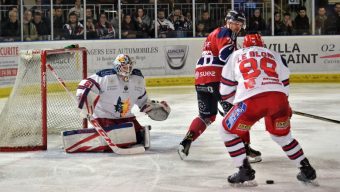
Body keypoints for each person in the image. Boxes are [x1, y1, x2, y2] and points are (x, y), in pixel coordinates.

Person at [219, 34, 317, 186]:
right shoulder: (275, 55)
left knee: (227, 131)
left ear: (243, 46)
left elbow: (225, 91)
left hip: (250, 102)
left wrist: (236, 106)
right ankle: (306, 168)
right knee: (283, 137)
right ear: (263, 45)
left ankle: (244, 169)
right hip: (279, 100)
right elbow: (285, 85)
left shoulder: (235, 55)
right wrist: (285, 106)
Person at [177, 10, 262, 163]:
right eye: (234, 23)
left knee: (207, 116)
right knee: (239, 114)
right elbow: (225, 56)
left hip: (201, 79)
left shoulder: (215, 34)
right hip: (217, 79)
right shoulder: (225, 32)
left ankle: (185, 142)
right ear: (227, 22)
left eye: (239, 24)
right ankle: (246, 149)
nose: (236, 27)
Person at [69, 54, 170, 152]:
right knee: (120, 139)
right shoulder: (106, 77)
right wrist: (84, 103)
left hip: (127, 118)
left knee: (140, 137)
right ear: (117, 67)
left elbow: (142, 100)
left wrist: (151, 107)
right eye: (125, 67)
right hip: (104, 117)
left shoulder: (137, 79)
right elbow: (85, 84)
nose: (128, 70)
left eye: (130, 67)